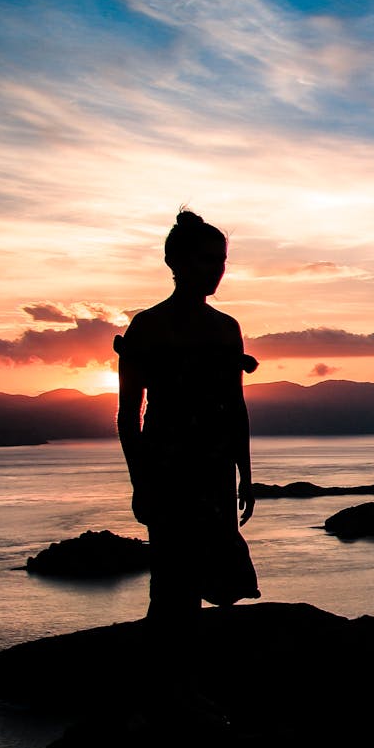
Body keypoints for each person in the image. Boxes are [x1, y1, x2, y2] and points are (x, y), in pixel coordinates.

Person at [115, 208, 260, 624]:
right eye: (208, 259)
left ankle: (192, 679)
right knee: (172, 585)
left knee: (218, 580)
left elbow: (236, 407)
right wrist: (141, 482)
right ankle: (170, 682)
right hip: (167, 471)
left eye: (222, 261)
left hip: (214, 472)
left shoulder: (226, 328)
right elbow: (128, 417)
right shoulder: (147, 327)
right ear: (176, 263)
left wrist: (244, 476)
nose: (217, 270)